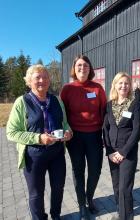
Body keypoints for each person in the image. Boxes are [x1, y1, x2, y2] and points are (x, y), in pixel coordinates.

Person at [6, 64, 72, 220]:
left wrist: (68, 131)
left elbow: (65, 123)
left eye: (45, 77)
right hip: (33, 155)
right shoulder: (22, 102)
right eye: (37, 77)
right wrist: (38, 138)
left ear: (49, 80)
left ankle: (56, 215)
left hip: (56, 153)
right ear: (29, 81)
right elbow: (11, 132)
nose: (42, 80)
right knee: (36, 193)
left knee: (58, 188)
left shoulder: (57, 100)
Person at [60, 55, 107, 220]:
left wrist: (106, 134)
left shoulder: (97, 88)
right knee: (78, 171)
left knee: (95, 171)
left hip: (94, 136)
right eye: (79, 65)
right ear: (74, 68)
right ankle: (82, 206)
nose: (82, 68)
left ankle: (90, 198)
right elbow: (62, 113)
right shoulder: (67, 89)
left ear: (90, 68)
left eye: (85, 65)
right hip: (75, 138)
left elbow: (104, 111)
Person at [103, 72, 140, 220]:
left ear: (130, 86)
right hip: (112, 152)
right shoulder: (108, 105)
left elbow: (137, 131)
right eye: (120, 83)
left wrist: (124, 152)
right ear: (115, 85)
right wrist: (109, 151)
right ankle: (123, 211)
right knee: (116, 186)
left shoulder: (135, 105)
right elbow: (105, 129)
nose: (123, 86)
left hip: (128, 152)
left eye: (126, 83)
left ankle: (125, 217)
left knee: (125, 187)